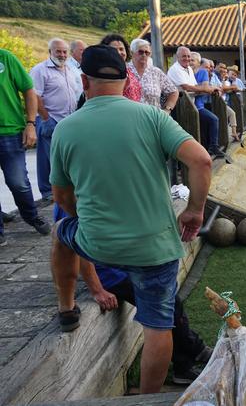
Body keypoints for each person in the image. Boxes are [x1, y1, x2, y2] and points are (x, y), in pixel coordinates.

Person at [49, 45, 212, 394]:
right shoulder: (152, 117)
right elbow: (201, 161)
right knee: (158, 325)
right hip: (154, 248)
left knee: (61, 233)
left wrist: (89, 218)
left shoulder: (65, 129)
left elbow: (61, 197)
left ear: (83, 81)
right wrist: (195, 210)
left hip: (98, 244)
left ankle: (66, 306)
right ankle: (148, 399)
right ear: (126, 80)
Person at [0, 49, 51, 246]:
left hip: (10, 132)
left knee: (18, 182)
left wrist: (31, 123)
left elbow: (29, 90)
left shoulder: (6, 58)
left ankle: (31, 216)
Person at [30, 38, 82, 201]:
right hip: (50, 119)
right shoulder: (40, 70)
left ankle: (65, 189)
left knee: (64, 157)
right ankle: (47, 192)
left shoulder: (71, 70)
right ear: (50, 52)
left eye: (64, 51)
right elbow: (35, 95)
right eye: (58, 51)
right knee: (48, 157)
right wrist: (46, 118)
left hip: (69, 120)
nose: (61, 54)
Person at [167, 47, 226, 158]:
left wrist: (208, 89)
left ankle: (210, 148)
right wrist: (207, 89)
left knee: (206, 124)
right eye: (184, 56)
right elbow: (186, 87)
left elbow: (194, 86)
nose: (187, 58)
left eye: (189, 56)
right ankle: (187, 161)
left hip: (191, 106)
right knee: (189, 133)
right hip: (179, 107)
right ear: (177, 57)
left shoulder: (188, 69)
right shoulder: (175, 69)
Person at [128, 38, 178, 111]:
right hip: (130, 117)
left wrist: (167, 110)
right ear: (132, 53)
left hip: (153, 118)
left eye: (147, 53)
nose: (144, 55)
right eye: (140, 52)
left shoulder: (156, 72)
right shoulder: (125, 70)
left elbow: (173, 91)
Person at [100, 34, 142, 102]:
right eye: (114, 50)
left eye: (121, 49)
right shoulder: (105, 74)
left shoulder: (129, 70)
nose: (119, 52)